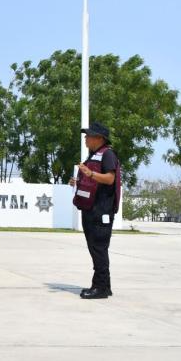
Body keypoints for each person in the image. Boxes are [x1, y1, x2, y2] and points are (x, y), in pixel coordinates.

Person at [70, 121, 121, 300]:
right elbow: (92, 182)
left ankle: (100, 288)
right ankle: (103, 286)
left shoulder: (107, 155)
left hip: (101, 211)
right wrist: (77, 181)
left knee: (99, 248)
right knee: (96, 248)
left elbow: (110, 178)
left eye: (89, 136)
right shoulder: (93, 156)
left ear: (99, 138)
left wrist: (90, 174)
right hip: (91, 209)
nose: (85, 138)